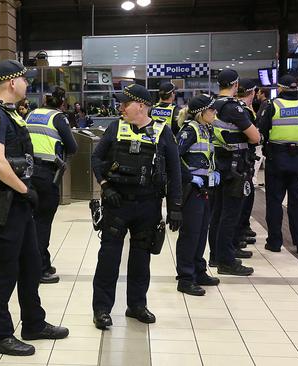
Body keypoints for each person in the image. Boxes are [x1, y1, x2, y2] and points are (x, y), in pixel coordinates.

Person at [0, 60, 69, 356]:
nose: (27, 85)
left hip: (17, 203)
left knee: (29, 265)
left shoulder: (9, 114)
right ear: (12, 82)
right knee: (4, 271)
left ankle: (33, 323)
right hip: (2, 203)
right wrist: (26, 190)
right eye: (24, 80)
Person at [91, 83, 182, 330]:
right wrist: (105, 186)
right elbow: (96, 159)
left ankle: (137, 306)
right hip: (116, 205)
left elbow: (175, 172)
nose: (120, 108)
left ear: (141, 106)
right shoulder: (115, 127)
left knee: (141, 259)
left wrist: (175, 206)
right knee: (108, 258)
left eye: (125, 103)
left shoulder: (163, 132)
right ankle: (101, 310)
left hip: (148, 206)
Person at [208, 69, 260, 275]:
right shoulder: (233, 108)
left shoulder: (212, 105)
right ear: (236, 85)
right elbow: (255, 137)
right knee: (229, 215)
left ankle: (216, 256)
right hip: (234, 168)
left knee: (217, 214)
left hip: (218, 165)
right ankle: (226, 261)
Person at [25, 86, 77, 284]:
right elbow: (73, 147)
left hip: (28, 174)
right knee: (43, 223)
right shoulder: (58, 118)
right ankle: (40, 269)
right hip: (47, 175)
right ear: (62, 102)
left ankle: (39, 261)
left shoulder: (31, 115)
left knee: (32, 221)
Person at [259, 75, 298, 254]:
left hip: (276, 159)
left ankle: (274, 242)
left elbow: (262, 131)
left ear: (281, 88)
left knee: (274, 201)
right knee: (296, 202)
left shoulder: (272, 106)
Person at [174, 94, 221, 296]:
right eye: (212, 109)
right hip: (192, 189)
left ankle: (199, 270)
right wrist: (189, 177)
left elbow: (206, 156)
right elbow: (174, 156)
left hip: (205, 189)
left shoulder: (206, 129)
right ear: (202, 113)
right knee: (190, 234)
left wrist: (214, 171)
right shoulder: (189, 130)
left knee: (202, 232)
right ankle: (185, 278)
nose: (215, 113)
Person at [235, 80, 260, 254]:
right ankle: (237, 236)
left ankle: (241, 229)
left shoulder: (238, 108)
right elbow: (254, 137)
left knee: (246, 197)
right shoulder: (240, 110)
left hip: (242, 160)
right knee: (241, 200)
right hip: (241, 160)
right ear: (251, 93)